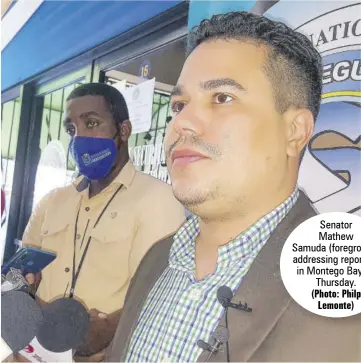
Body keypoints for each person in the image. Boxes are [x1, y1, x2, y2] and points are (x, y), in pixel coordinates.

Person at [105, 11, 361, 362]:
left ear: (295, 131)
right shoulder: (156, 260)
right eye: (179, 105)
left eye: (222, 97)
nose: (183, 122)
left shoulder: (343, 287)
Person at [22, 83, 186, 361]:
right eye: (72, 130)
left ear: (123, 131)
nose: (80, 138)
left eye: (92, 123)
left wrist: (108, 329)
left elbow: (159, 294)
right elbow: (22, 271)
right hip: (35, 350)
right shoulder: (53, 201)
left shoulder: (158, 200)